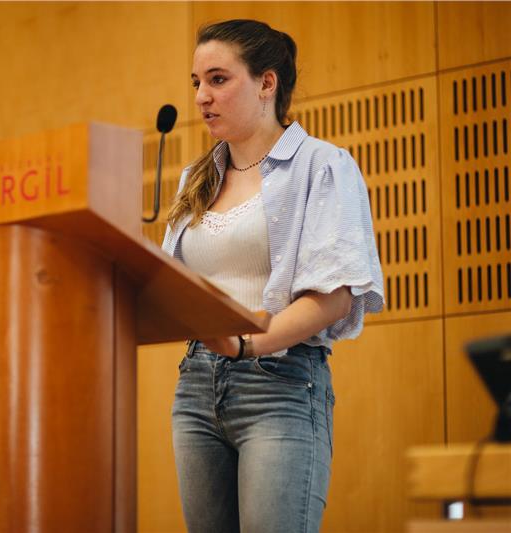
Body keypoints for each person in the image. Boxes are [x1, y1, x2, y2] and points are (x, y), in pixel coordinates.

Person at [161, 19, 384, 533]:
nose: (200, 97)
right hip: (196, 385)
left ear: (267, 83)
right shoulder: (195, 178)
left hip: (279, 385)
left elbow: (335, 296)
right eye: (196, 82)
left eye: (218, 79)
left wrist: (246, 345)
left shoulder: (321, 165)